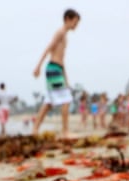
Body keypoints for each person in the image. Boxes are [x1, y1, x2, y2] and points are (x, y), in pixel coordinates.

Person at [32, 9, 81, 138]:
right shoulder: (60, 32)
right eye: (75, 22)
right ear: (67, 19)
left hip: (57, 69)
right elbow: (49, 48)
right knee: (67, 99)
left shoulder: (65, 36)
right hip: (53, 68)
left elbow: (62, 59)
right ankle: (65, 132)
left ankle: (35, 130)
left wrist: (66, 78)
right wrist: (38, 66)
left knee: (49, 102)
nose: (76, 25)